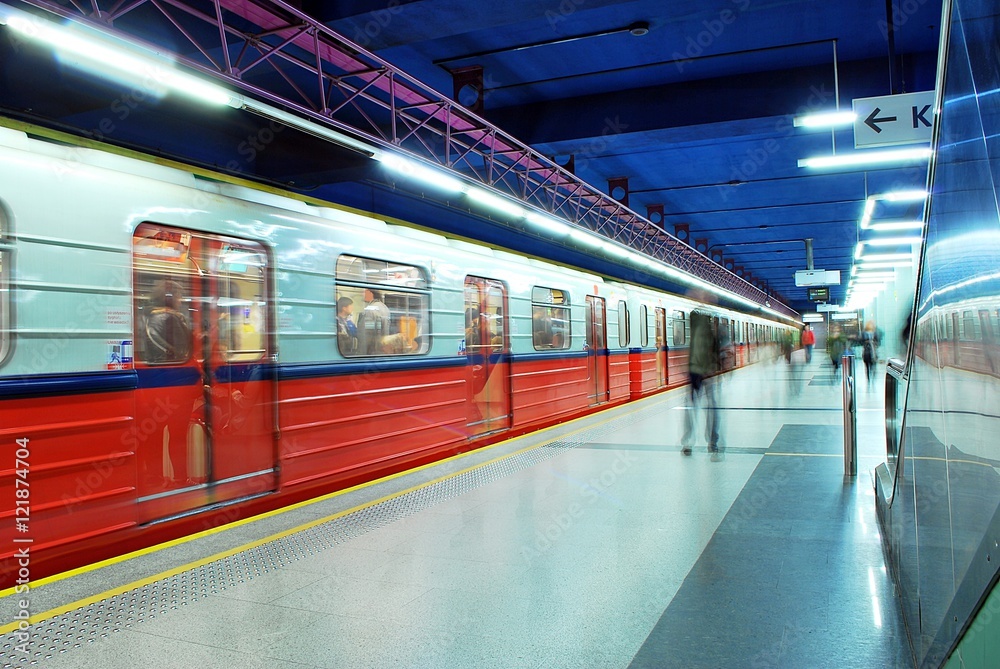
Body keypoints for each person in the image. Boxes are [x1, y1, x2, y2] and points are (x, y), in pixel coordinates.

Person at [681, 292, 722, 455]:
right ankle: (708, 442)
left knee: (695, 407)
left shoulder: (704, 320)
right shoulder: (702, 319)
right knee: (708, 407)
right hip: (701, 371)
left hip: (700, 371)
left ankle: (695, 441)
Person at [141, 279, 192, 364]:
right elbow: (182, 349)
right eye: (179, 297)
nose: (180, 302)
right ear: (170, 298)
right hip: (171, 365)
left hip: (158, 364)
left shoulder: (152, 316)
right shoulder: (170, 318)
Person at [356, 288, 391, 354]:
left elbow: (367, 334)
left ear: (370, 293)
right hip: (381, 349)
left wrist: (362, 354)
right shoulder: (385, 308)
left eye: (364, 292)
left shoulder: (370, 310)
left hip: (371, 352)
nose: (362, 295)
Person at [861, 320, 879, 388]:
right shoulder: (864, 333)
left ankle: (873, 378)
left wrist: (873, 343)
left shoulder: (875, 333)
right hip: (866, 352)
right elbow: (861, 341)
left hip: (873, 352)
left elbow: (877, 342)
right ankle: (868, 379)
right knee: (867, 366)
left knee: (873, 366)